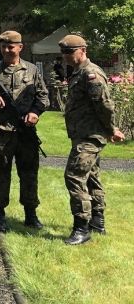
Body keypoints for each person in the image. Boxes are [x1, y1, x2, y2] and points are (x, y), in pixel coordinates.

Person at [0, 30, 49, 233]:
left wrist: (35, 113)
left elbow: (43, 97)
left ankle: (30, 214)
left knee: (29, 174)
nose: (7, 50)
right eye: (3, 46)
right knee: (0, 174)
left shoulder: (32, 71)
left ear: (20, 47)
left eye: (11, 46)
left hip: (26, 133)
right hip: (2, 134)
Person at [58, 34, 126, 245]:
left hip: (91, 136)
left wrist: (111, 128)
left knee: (74, 176)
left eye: (70, 52)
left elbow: (104, 105)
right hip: (84, 133)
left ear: (83, 50)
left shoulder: (91, 74)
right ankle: (98, 222)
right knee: (91, 177)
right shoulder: (78, 72)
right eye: (64, 53)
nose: (66, 57)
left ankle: (82, 227)